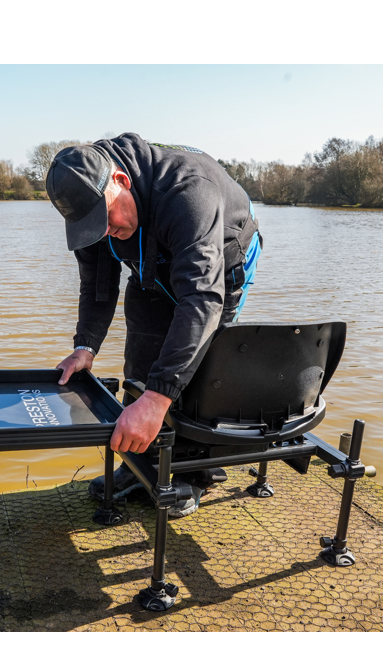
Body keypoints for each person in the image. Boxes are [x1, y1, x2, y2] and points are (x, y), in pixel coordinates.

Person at [46, 133, 262, 516]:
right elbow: (97, 284)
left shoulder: (188, 192)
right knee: (142, 355)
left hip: (221, 260)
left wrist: (159, 397)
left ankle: (195, 473)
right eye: (91, 226)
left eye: (106, 219)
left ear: (121, 180)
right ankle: (140, 462)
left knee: (202, 362)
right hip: (150, 258)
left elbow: (201, 300)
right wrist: (85, 346)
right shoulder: (96, 209)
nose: (103, 231)